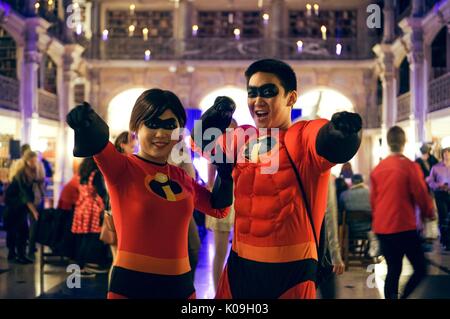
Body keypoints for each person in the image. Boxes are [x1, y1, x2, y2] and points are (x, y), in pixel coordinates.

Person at [192, 58, 362, 299]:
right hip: (240, 267)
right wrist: (210, 120)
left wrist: (342, 132)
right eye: (252, 93)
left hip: (290, 272)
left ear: (291, 98)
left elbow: (328, 142)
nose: (258, 100)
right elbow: (200, 145)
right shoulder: (242, 137)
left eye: (268, 92)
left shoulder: (301, 137)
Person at [66, 88, 232, 299]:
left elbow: (218, 208)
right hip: (132, 287)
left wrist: (224, 171)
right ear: (136, 127)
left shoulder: (181, 178)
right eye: (152, 124)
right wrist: (85, 121)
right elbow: (98, 143)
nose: (161, 133)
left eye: (170, 125)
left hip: (180, 287)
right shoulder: (121, 167)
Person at [370, 126, 435, 299]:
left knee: (393, 269)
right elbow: (421, 194)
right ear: (404, 143)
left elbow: (373, 202)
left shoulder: (378, 169)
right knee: (420, 268)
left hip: (383, 228)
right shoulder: (409, 166)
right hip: (402, 225)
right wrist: (429, 213)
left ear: (388, 143)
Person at [205, 119, 237, 290]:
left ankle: (231, 288)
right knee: (220, 250)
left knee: (236, 251)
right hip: (222, 199)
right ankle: (218, 290)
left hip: (238, 199)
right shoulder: (215, 150)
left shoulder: (238, 150)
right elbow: (210, 182)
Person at [71, 157, 110, 276]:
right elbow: (101, 192)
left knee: (82, 238)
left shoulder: (82, 174)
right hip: (92, 208)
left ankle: (80, 265)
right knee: (89, 239)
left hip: (81, 207)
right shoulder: (96, 174)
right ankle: (81, 268)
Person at [4, 150, 40, 264]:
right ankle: (13, 254)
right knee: (15, 231)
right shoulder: (21, 174)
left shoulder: (32, 172)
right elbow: (24, 195)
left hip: (20, 206)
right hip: (14, 205)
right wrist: (34, 211)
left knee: (23, 231)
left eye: (35, 160)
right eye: (32, 160)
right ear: (27, 161)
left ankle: (21, 255)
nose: (34, 162)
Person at [317, 175, 345, 299]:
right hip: (319, 243)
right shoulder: (322, 169)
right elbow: (329, 212)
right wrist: (335, 255)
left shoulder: (272, 160)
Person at [428, 136, 450, 251]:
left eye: (448, 152)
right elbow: (430, 181)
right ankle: (445, 240)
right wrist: (439, 185)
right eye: (445, 152)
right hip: (441, 195)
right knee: (443, 217)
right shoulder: (436, 168)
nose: (447, 154)